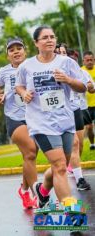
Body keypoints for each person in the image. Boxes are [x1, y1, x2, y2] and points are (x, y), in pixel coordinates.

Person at [15, 26, 87, 208]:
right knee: (60, 166)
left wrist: (68, 80)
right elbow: (19, 86)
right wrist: (24, 94)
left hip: (65, 121)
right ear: (36, 43)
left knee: (60, 165)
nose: (50, 40)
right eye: (45, 37)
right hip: (41, 124)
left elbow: (83, 86)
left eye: (52, 37)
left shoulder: (67, 63)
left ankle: (43, 190)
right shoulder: (26, 66)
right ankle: (71, 209)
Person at [0, 37, 38, 209]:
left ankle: (24, 190)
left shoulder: (34, 66)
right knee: (31, 152)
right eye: (12, 50)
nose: (16, 51)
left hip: (35, 116)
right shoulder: (4, 71)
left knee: (29, 156)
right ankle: (38, 196)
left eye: (19, 48)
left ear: (25, 51)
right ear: (7, 55)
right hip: (14, 116)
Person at [57, 47, 92, 191]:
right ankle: (79, 178)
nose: (63, 55)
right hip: (61, 111)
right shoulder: (50, 69)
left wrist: (88, 85)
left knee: (79, 144)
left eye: (65, 52)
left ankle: (71, 167)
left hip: (77, 108)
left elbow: (87, 85)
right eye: (61, 52)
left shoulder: (75, 68)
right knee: (74, 143)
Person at [81, 51, 95, 150]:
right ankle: (92, 144)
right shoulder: (80, 71)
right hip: (87, 105)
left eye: (91, 60)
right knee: (89, 127)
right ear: (83, 61)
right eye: (87, 60)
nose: (90, 62)